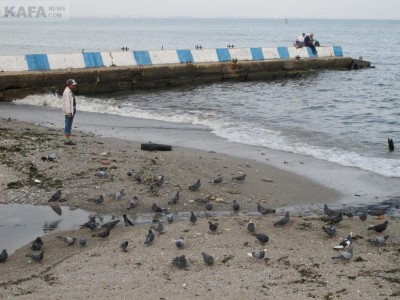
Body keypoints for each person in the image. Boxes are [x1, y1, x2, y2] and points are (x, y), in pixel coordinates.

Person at [62, 79, 77, 145]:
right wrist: (69, 112)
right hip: (69, 112)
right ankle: (67, 140)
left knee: (68, 124)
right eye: (73, 85)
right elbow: (67, 103)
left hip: (71, 111)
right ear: (69, 85)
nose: (74, 86)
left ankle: (67, 139)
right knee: (68, 125)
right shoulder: (67, 92)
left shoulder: (68, 91)